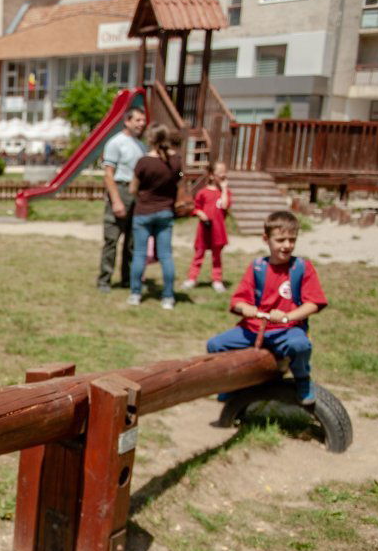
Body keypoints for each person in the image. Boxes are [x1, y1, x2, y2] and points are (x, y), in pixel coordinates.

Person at [206, 210, 327, 405]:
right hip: (254, 328)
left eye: (291, 240)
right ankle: (229, 384)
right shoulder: (257, 267)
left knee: (300, 345)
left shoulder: (301, 267)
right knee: (216, 345)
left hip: (287, 330)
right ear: (266, 239)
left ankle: (303, 380)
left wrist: (287, 316)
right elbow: (238, 301)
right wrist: (245, 308)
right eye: (280, 240)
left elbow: (313, 303)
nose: (287, 245)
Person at [128, 125, 182, 309]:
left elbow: (132, 189)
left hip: (143, 212)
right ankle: (168, 297)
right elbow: (179, 179)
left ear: (150, 139)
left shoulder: (143, 162)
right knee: (166, 255)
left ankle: (135, 294)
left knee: (139, 254)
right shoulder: (175, 161)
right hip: (165, 212)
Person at [98, 107, 146, 293]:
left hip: (137, 195)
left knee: (132, 242)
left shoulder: (141, 145)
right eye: (138, 120)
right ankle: (105, 280)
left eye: (142, 121)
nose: (141, 124)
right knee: (112, 240)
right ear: (127, 121)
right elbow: (108, 175)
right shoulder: (116, 143)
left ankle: (128, 278)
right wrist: (116, 200)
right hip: (121, 190)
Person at [182, 161, 231, 292]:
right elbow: (195, 208)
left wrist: (225, 189)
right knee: (198, 254)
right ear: (211, 175)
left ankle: (217, 280)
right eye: (220, 172)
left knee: (217, 257)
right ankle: (192, 278)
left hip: (218, 231)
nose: (223, 175)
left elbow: (225, 206)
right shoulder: (202, 192)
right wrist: (200, 213)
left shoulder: (225, 192)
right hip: (204, 230)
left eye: (224, 172)